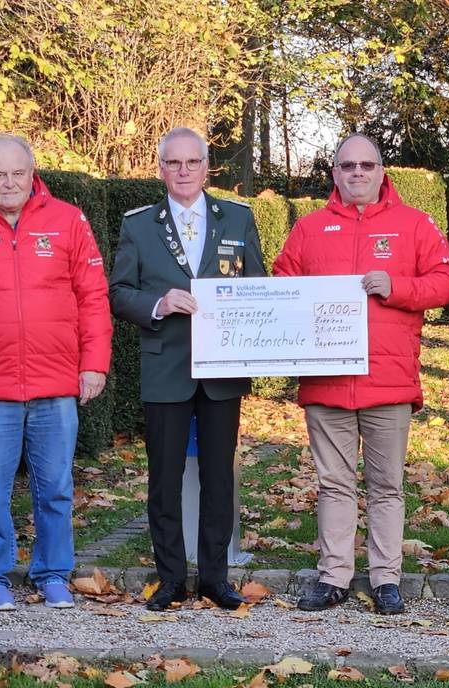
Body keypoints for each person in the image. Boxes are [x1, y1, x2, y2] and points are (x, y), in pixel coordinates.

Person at [273, 133, 449, 614]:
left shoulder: (414, 224)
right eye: (347, 166)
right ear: (334, 173)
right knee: (334, 483)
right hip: (327, 379)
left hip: (389, 377)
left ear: (382, 171)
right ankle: (333, 577)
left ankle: (385, 580)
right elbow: (281, 284)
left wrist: (397, 286)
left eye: (367, 165)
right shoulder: (310, 229)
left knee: (386, 485)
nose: (357, 173)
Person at [110, 127, 265, 611]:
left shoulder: (237, 219)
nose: (183, 172)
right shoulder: (139, 225)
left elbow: (259, 285)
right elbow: (118, 292)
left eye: (192, 163)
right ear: (161, 170)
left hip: (222, 370)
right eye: (173, 164)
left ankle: (215, 579)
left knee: (219, 477)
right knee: (165, 478)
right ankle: (172, 576)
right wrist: (158, 302)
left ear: (206, 166)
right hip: (167, 366)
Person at [0, 134, 112, 610]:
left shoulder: (68, 219)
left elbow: (93, 296)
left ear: (33, 173)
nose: (9, 183)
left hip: (55, 384)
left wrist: (93, 363)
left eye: (18, 173)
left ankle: (52, 573)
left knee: (56, 488)